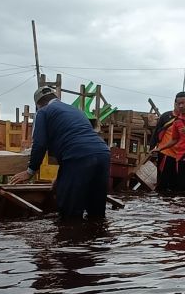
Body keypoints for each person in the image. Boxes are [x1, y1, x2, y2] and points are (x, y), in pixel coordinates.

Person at [9, 85, 111, 221]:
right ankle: (96, 240)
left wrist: (30, 171)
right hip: (103, 154)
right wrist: (61, 177)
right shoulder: (76, 111)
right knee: (97, 212)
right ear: (56, 98)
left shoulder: (43, 112)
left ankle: (69, 240)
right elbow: (73, 143)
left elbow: (40, 144)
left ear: (38, 104)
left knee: (70, 214)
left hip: (79, 156)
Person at [151, 92, 185, 192]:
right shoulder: (166, 116)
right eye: (177, 104)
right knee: (163, 183)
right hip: (166, 154)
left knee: (178, 185)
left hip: (181, 156)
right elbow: (156, 133)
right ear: (175, 104)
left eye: (182, 104)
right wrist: (153, 148)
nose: (180, 106)